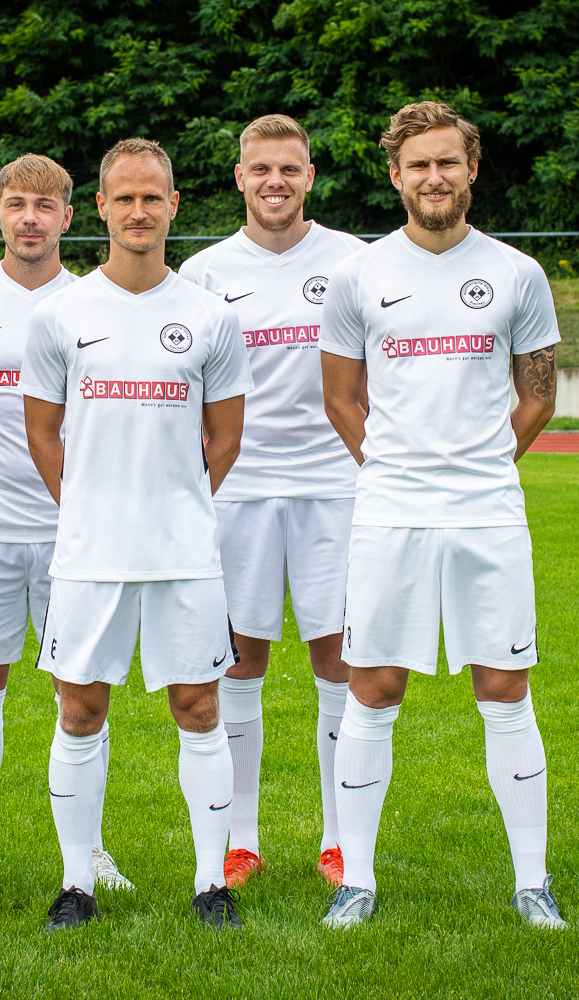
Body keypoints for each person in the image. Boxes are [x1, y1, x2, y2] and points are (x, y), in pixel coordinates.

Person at [317, 102, 566, 929]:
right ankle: (358, 882)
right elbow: (341, 396)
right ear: (395, 175)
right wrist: (395, 469)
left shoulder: (517, 273)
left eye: (447, 163)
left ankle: (532, 882)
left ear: (472, 170)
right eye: (418, 165)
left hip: (488, 513)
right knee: (374, 686)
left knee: (504, 686)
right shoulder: (359, 275)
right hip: (391, 512)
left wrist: (483, 467)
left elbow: (538, 396)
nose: (433, 177)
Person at [21, 137, 254, 930]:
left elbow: (225, 438)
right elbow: (43, 434)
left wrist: (176, 503)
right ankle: (76, 883)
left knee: (197, 706)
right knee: (81, 709)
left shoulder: (209, 316)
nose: (139, 211)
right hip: (89, 554)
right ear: (101, 208)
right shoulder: (62, 316)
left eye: (153, 197)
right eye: (124, 198)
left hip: (183, 552)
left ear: (175, 205)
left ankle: (207, 883)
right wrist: (87, 507)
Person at [179, 114, 366, 889]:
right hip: (239, 490)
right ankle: (241, 838)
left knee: (340, 661)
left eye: (289, 169)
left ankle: (338, 838)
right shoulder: (202, 272)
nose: (276, 182)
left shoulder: (357, 262)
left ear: (311, 176)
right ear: (240, 178)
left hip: (335, 487)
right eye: (261, 170)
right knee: (239, 663)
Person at [0, 154, 133, 892]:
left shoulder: (99, 302)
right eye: (16, 203)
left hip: (74, 537)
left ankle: (88, 852)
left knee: (81, 692)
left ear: (69, 215)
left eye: (45, 205)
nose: (30, 217)